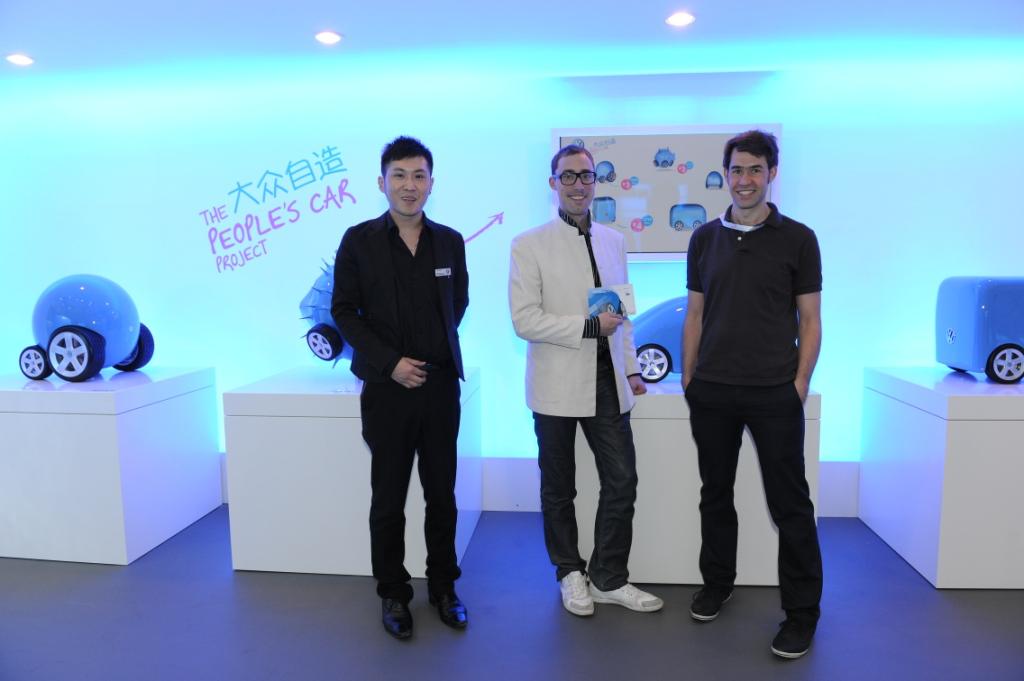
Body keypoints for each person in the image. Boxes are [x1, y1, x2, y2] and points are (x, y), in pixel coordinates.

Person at [681, 130, 823, 659]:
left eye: (755, 170)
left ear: (771, 174)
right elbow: (695, 314)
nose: (745, 180)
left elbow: (810, 319)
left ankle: (802, 613)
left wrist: (799, 383)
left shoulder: (799, 239)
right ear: (726, 174)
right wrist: (691, 379)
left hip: (774, 392)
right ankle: (717, 583)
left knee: (791, 505)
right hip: (713, 391)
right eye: (736, 170)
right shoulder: (703, 239)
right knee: (715, 493)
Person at [509, 144, 663, 617]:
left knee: (622, 480)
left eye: (586, 176)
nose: (578, 185)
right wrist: (588, 326)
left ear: (596, 182)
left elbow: (624, 314)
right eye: (568, 176)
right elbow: (524, 320)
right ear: (553, 183)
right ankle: (569, 573)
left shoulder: (614, 240)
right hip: (555, 383)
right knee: (559, 488)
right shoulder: (529, 244)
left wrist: (631, 367)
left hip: (608, 381)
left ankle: (608, 577)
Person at [331, 136, 469, 640]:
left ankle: (444, 587)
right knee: (388, 497)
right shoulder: (359, 240)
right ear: (382, 182)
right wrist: (391, 363)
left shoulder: (449, 241)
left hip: (439, 386)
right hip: (386, 389)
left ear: (431, 182)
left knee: (442, 494)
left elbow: (459, 303)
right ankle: (393, 592)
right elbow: (344, 311)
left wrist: (429, 356)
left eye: (419, 176)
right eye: (400, 175)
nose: (410, 186)